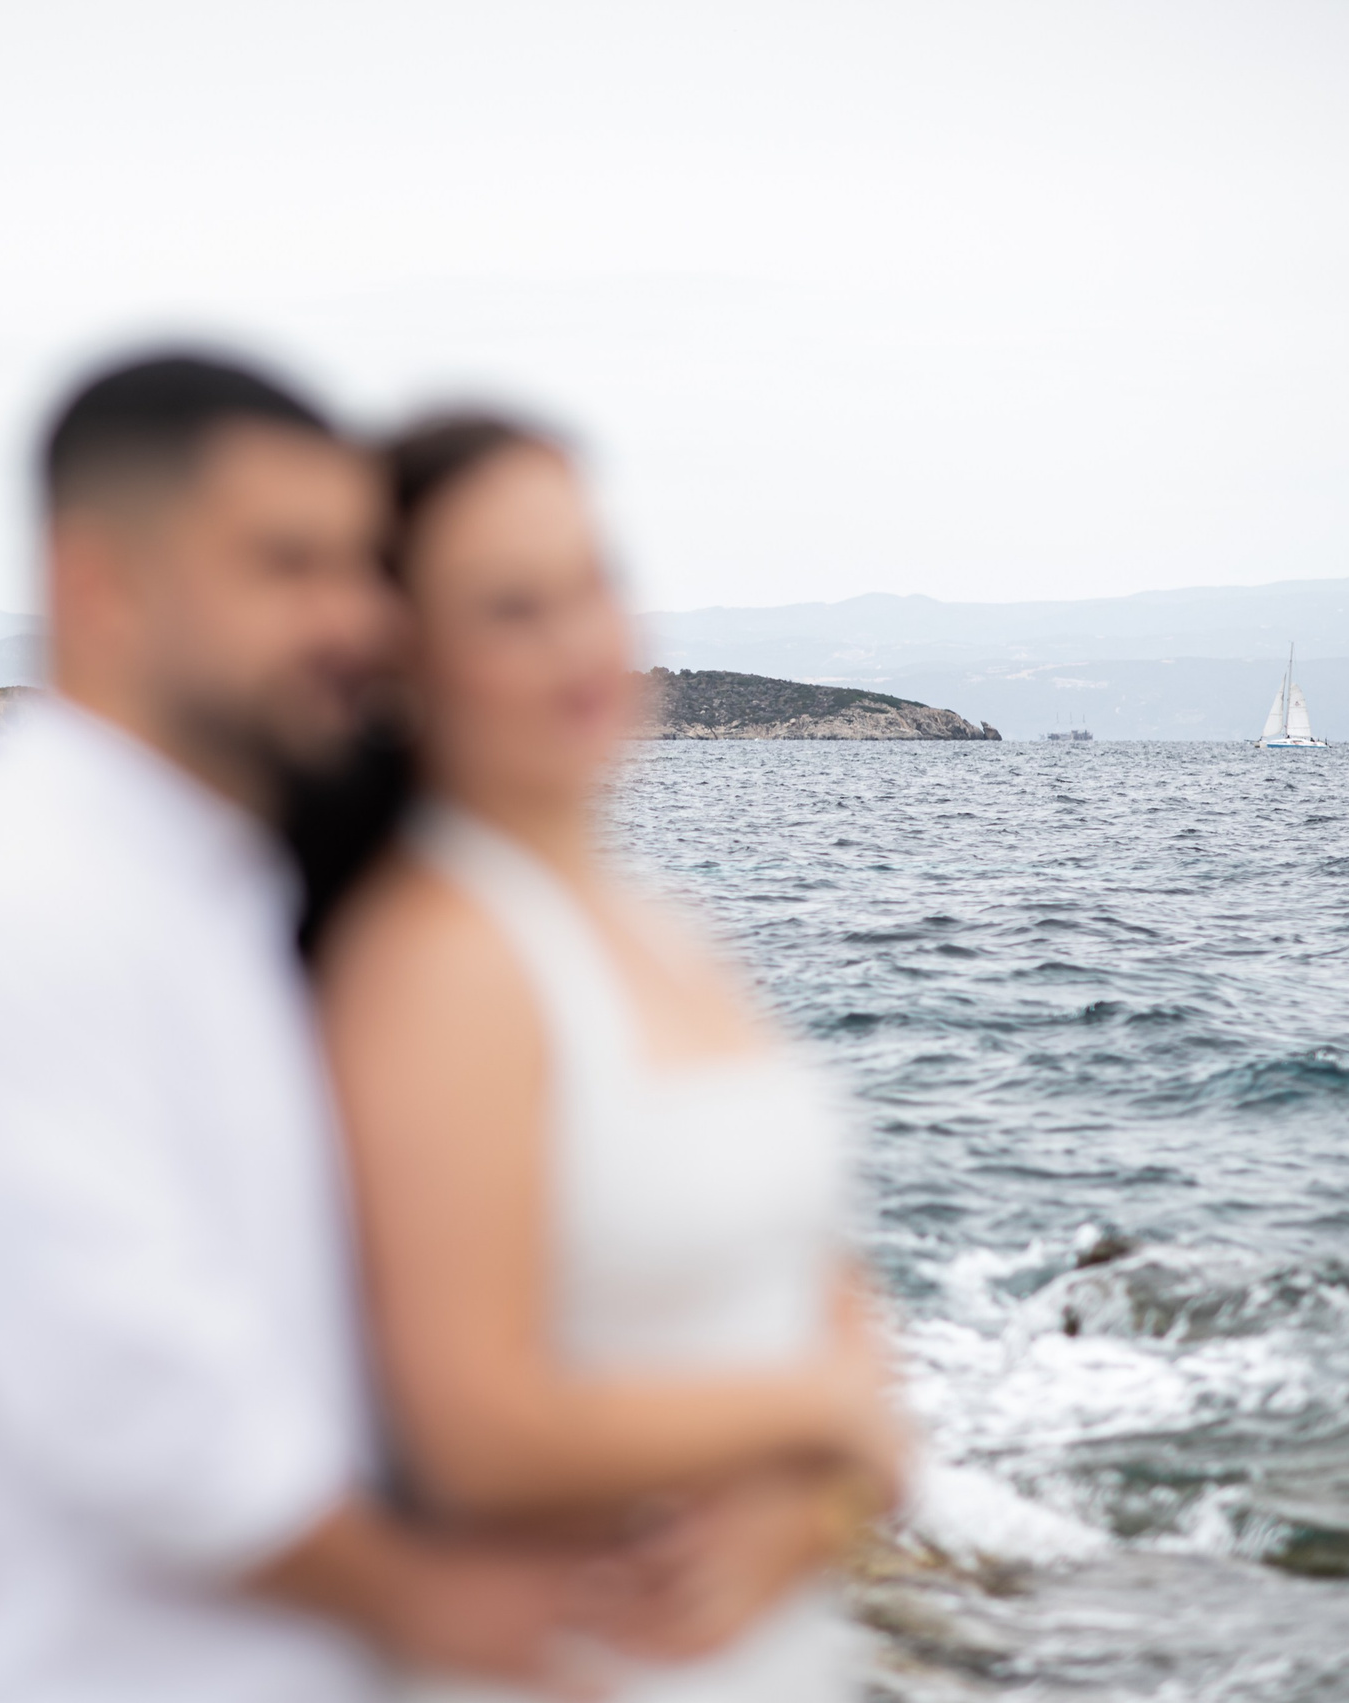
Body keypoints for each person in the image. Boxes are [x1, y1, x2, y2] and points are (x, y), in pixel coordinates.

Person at [0, 356, 620, 1703]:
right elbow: (144, 1411)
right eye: (287, 566)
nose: (353, 619)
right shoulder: (8, 902)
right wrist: (458, 1610)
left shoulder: (222, 882)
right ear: (101, 584)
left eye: (358, 566)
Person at [309, 414, 910, 1702]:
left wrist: (806, 1509)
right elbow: (472, 1427)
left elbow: (845, 1332)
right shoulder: (440, 959)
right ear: (405, 662)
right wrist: (816, 1414)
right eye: (513, 608)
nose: (581, 640)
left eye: (595, 583)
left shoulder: (663, 930)